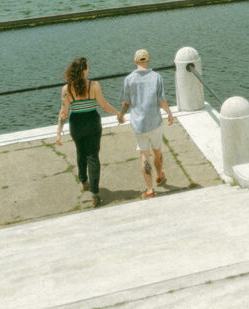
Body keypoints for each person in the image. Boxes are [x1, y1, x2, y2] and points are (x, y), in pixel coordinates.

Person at [56, 56, 124, 207]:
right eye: (87, 67)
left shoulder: (66, 89)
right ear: (84, 70)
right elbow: (104, 105)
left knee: (80, 151)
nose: (89, 69)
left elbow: (63, 113)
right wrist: (118, 114)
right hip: (92, 122)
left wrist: (59, 133)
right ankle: (95, 193)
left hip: (77, 123)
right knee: (93, 156)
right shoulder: (94, 85)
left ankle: (84, 180)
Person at [120, 48, 174, 199]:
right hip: (155, 122)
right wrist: (169, 113)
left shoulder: (129, 79)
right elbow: (161, 100)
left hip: (139, 124)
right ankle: (160, 175)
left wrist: (121, 115)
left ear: (135, 61)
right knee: (157, 151)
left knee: (145, 155)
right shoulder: (157, 77)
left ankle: (150, 190)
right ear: (148, 60)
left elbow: (126, 102)